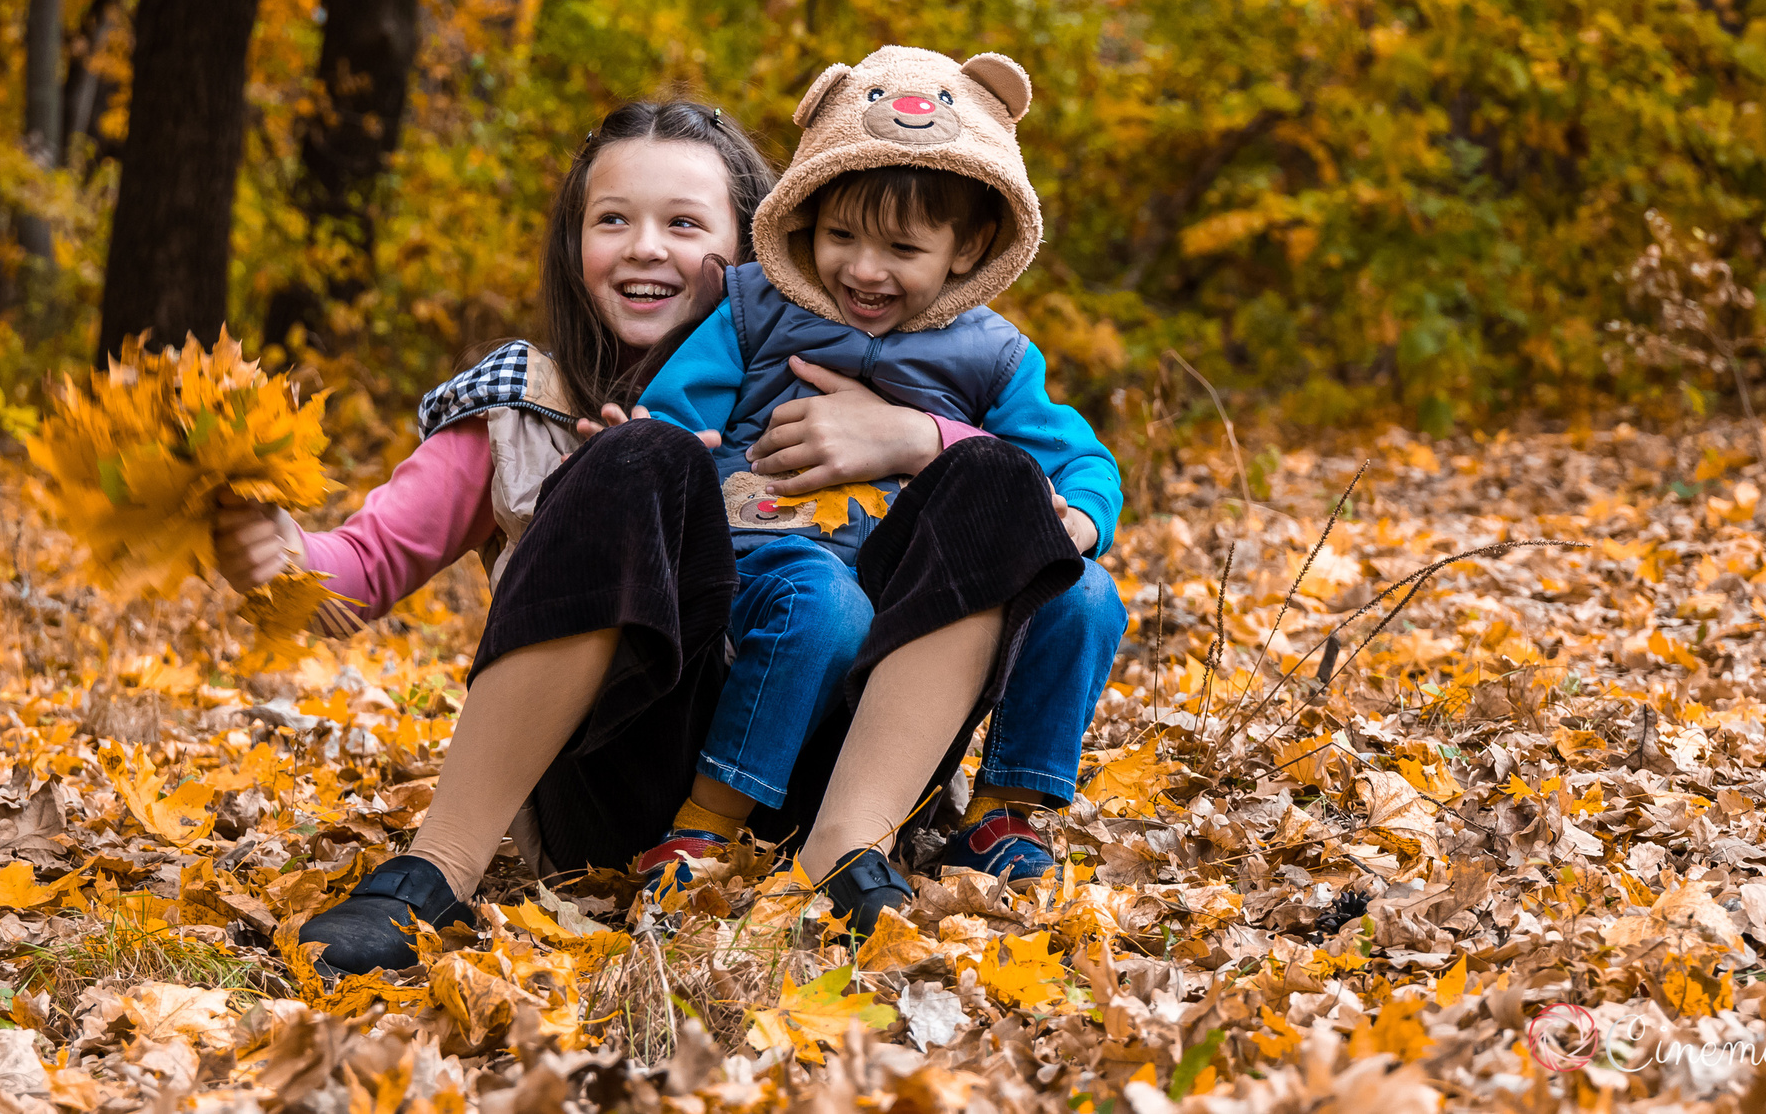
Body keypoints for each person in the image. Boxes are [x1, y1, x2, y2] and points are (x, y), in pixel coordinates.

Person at [218, 90, 1114, 972]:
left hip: (845, 762)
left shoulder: (949, 355)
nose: (646, 246)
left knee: (993, 478)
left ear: (753, 244)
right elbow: (354, 574)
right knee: (644, 454)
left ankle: (850, 851)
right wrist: (277, 557)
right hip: (625, 777)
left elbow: (1050, 482)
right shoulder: (527, 402)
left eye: (684, 224)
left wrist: (920, 438)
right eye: (613, 219)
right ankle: (434, 870)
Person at [626, 45, 1126, 897]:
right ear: (805, 220)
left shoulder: (991, 354)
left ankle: (1004, 812)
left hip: (922, 597)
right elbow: (676, 418)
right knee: (822, 601)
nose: (864, 268)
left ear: (966, 248)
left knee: (1082, 593)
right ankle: (707, 820)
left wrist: (1076, 517)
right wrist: (658, 452)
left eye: (902, 246)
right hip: (769, 547)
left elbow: (1079, 458)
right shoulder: (755, 311)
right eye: (841, 235)